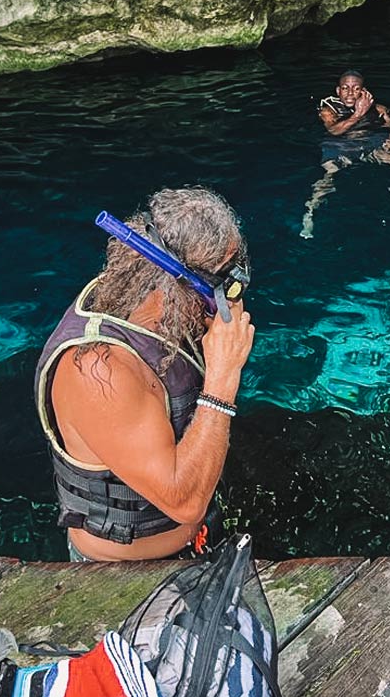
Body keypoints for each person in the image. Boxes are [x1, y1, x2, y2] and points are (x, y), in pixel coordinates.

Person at [35, 186, 255, 561]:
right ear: (179, 285)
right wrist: (223, 377)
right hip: (127, 573)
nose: (231, 299)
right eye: (223, 283)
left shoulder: (144, 299)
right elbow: (183, 504)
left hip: (198, 540)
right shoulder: (97, 370)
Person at [300, 69, 390, 238]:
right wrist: (358, 114)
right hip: (340, 145)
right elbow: (334, 130)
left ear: (363, 91)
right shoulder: (327, 110)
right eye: (345, 88)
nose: (350, 93)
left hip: (369, 143)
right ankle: (310, 212)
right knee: (330, 172)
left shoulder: (378, 108)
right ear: (338, 90)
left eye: (356, 88)